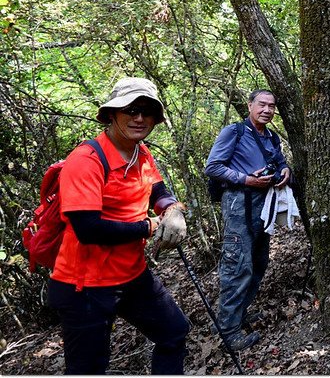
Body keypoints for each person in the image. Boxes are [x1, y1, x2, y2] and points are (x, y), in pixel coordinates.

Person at [47, 77, 190, 374]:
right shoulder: (86, 160)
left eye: (147, 111)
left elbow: (158, 193)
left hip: (132, 275)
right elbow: (88, 229)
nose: (139, 118)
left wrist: (174, 210)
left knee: (174, 332)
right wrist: (150, 227)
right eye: (131, 109)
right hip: (84, 287)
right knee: (88, 370)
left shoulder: (141, 152)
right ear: (112, 114)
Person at [205, 89, 292, 351]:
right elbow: (213, 167)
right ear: (250, 105)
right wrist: (246, 179)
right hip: (238, 204)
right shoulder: (235, 132)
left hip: (262, 206)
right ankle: (229, 333)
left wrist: (285, 169)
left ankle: (236, 315)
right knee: (237, 265)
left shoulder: (271, 137)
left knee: (258, 261)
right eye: (262, 104)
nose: (267, 110)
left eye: (272, 106)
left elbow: (279, 161)